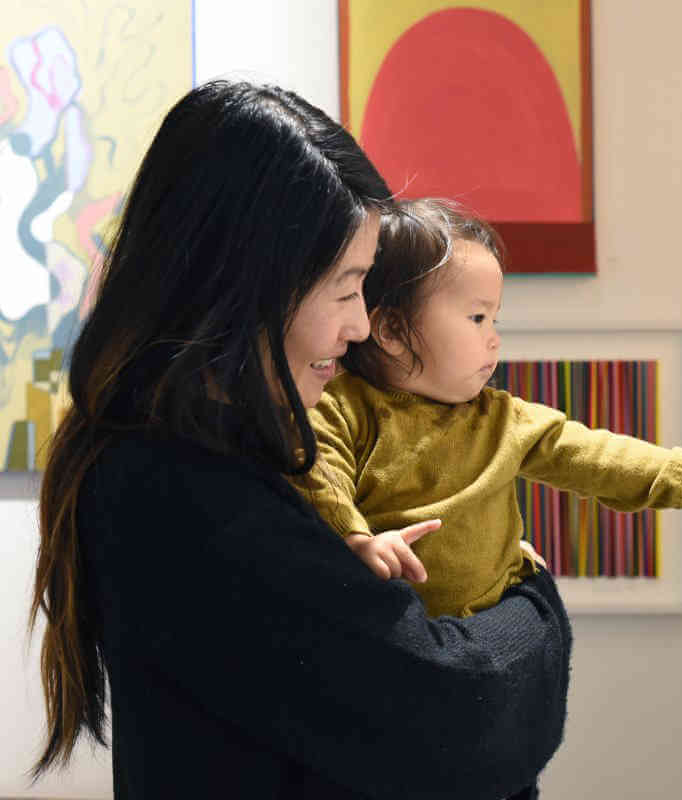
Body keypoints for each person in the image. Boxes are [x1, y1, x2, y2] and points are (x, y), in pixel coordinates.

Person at [29, 82, 571, 799]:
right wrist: (533, 600)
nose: (357, 328)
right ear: (249, 285)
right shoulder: (182, 492)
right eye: (346, 288)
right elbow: (455, 718)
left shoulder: (215, 460)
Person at [294, 198, 682, 619]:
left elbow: (600, 457)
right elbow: (321, 475)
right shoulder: (341, 407)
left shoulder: (502, 419)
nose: (494, 338)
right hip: (394, 631)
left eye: (495, 318)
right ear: (394, 332)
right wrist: (359, 540)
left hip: (496, 620)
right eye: (476, 317)